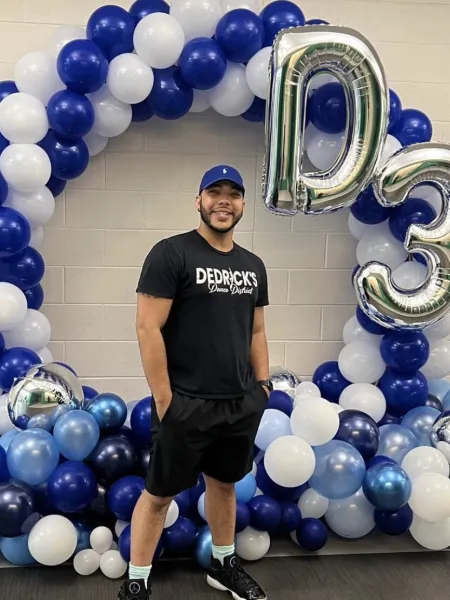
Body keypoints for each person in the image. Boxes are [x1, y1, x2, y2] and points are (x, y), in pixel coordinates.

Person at [118, 165, 272, 600]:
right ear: (199, 200)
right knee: (158, 494)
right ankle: (137, 581)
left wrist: (261, 387)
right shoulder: (171, 254)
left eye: (234, 194)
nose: (224, 201)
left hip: (238, 401)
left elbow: (257, 331)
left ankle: (223, 565)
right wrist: (165, 399)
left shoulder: (253, 265)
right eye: (214, 192)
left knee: (224, 485)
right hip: (185, 402)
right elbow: (148, 328)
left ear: (243, 205)